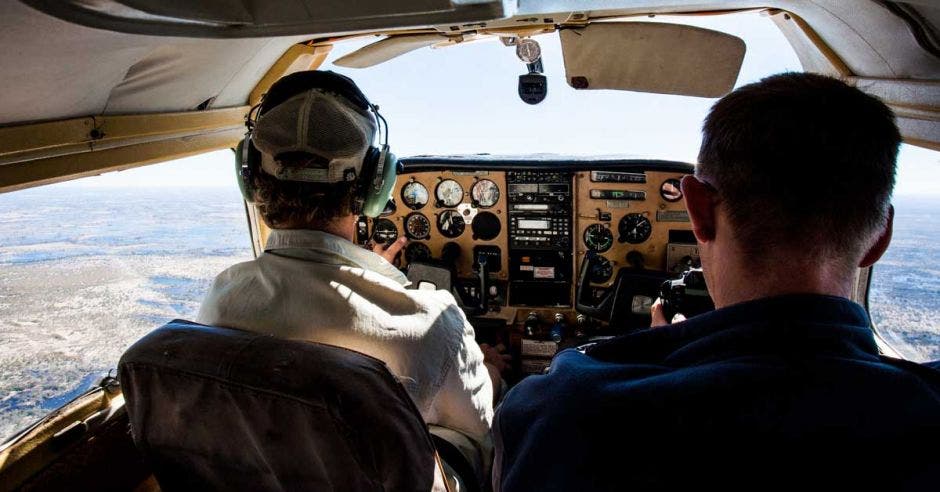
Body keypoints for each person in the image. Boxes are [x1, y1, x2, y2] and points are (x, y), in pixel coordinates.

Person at [492, 73, 940, 490]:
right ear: (880, 237)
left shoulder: (567, 410)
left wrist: (664, 359)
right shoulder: (925, 411)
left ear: (698, 210)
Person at [197, 71, 508, 480]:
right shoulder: (430, 324)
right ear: (375, 185)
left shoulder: (221, 298)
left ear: (249, 176)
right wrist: (493, 370)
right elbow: (482, 430)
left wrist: (372, 273)